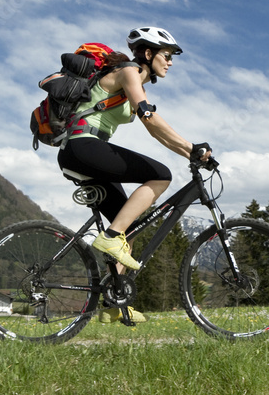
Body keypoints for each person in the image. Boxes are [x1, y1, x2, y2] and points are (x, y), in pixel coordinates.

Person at [56, 25, 212, 323]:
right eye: (166, 55)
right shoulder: (129, 71)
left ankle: (114, 303)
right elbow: (151, 120)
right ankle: (111, 237)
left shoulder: (133, 84)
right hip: (82, 145)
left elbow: (157, 134)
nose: (170, 62)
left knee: (126, 229)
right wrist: (192, 147)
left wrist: (191, 154)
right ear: (148, 53)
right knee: (161, 176)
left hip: (81, 151)